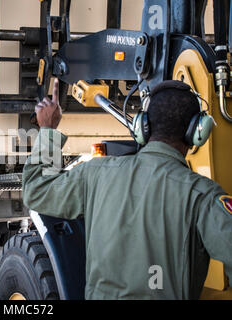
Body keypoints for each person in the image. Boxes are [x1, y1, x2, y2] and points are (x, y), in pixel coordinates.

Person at [22, 79, 232, 299]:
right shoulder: (202, 196)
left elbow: (37, 190)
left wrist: (47, 129)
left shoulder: (96, 174)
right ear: (197, 132)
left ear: (143, 126)